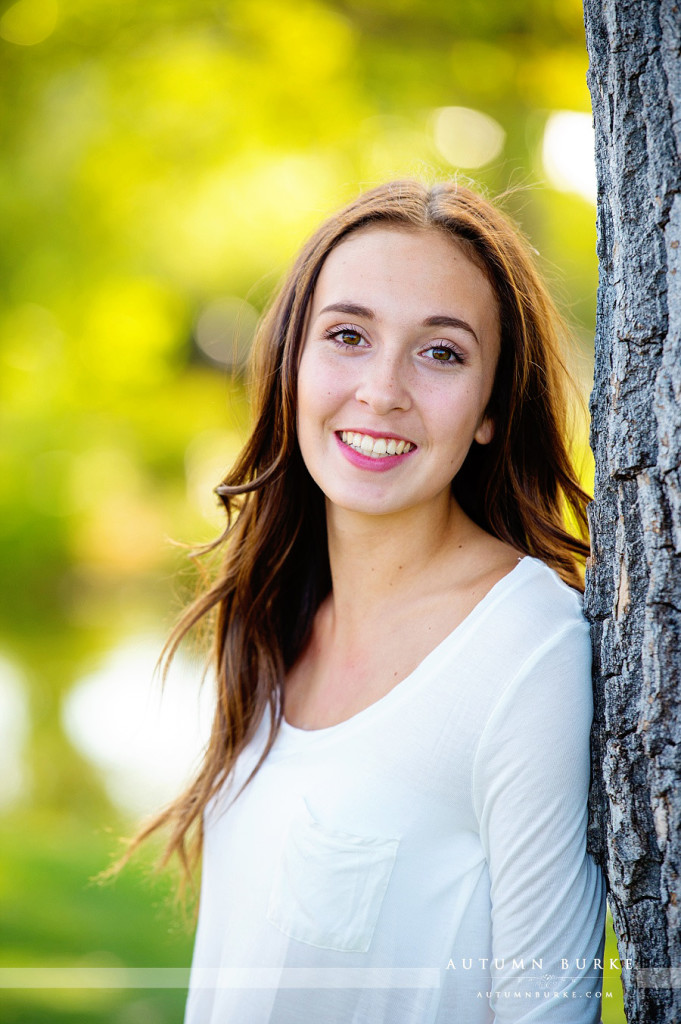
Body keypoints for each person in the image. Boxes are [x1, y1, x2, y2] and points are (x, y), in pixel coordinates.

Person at [137, 179, 606, 1022]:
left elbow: (549, 1008)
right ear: (292, 362)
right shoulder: (273, 612)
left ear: (491, 408)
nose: (382, 390)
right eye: (347, 336)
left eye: (441, 353)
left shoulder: (523, 650)